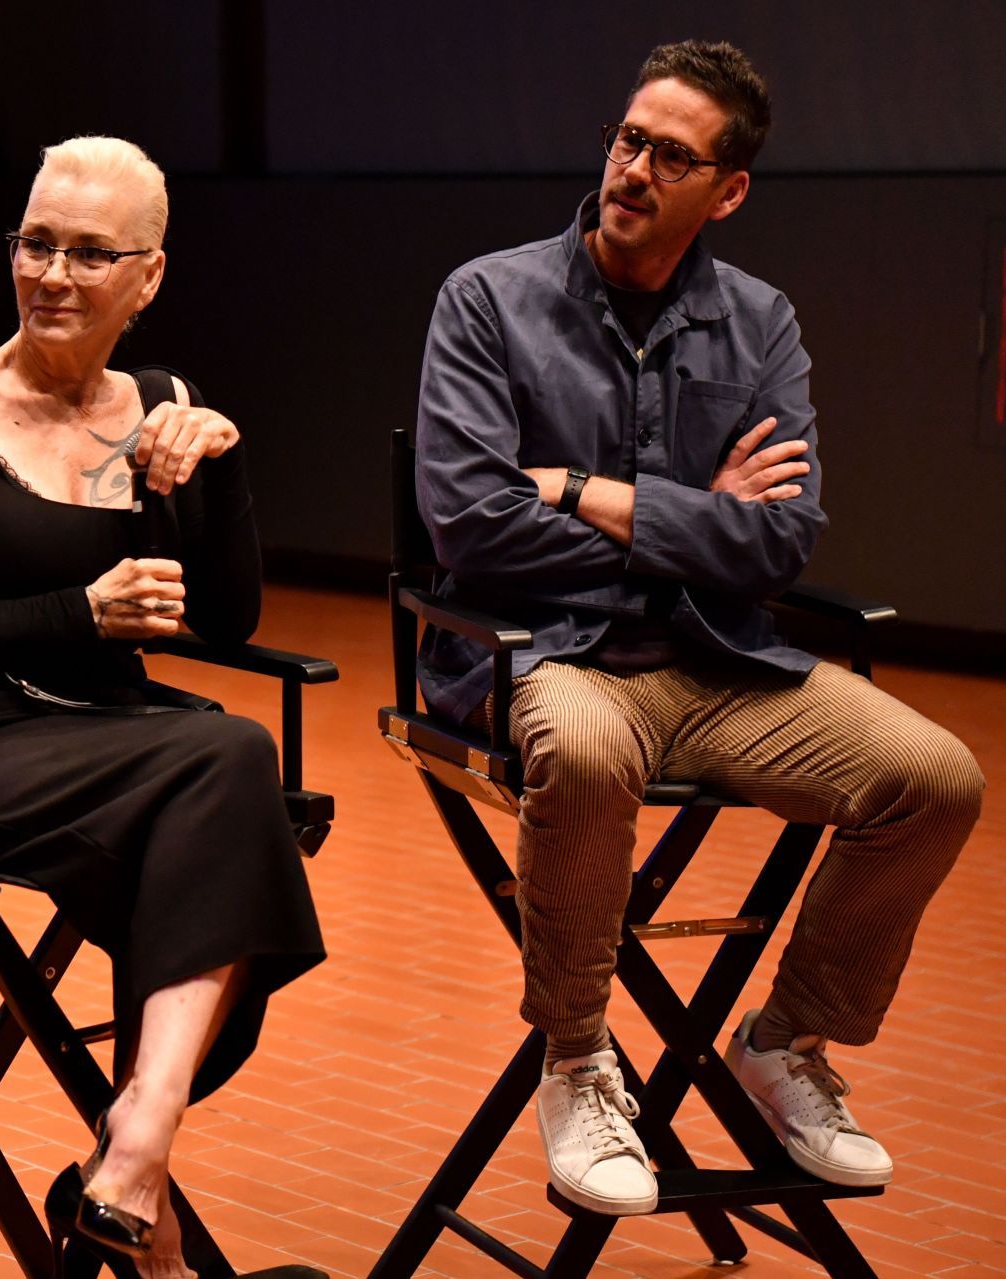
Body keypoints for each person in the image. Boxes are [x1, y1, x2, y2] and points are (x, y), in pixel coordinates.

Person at [415, 39, 985, 1217]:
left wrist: (585, 490)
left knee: (936, 776)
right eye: (630, 138)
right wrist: (693, 517)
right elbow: (473, 527)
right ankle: (574, 1061)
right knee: (582, 750)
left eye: (672, 156)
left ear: (726, 189)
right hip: (552, 651)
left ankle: (788, 1040)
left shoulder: (759, 322)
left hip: (721, 658)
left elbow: (780, 543)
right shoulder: (489, 298)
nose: (633, 168)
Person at [0, 136, 323, 1278]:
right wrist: (80, 611)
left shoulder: (164, 407)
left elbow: (224, 618)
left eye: (87, 253)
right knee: (227, 765)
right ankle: (141, 1166)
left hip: (112, 746)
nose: (53, 275)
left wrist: (219, 467)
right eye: (35, 244)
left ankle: (132, 1161)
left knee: (214, 782)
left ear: (148, 278)